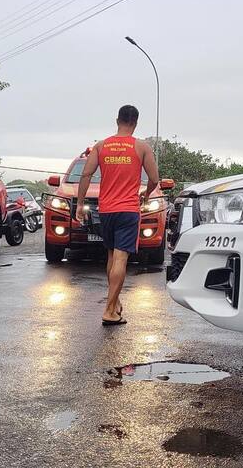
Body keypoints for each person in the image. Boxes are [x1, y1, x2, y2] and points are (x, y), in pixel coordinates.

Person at [74, 105, 160, 326]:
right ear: (136, 123)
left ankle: (116, 301)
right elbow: (154, 179)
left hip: (107, 210)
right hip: (128, 210)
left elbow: (86, 174)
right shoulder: (141, 147)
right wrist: (146, 195)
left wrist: (80, 204)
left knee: (112, 257)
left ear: (117, 120)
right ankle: (109, 310)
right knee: (121, 259)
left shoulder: (101, 146)